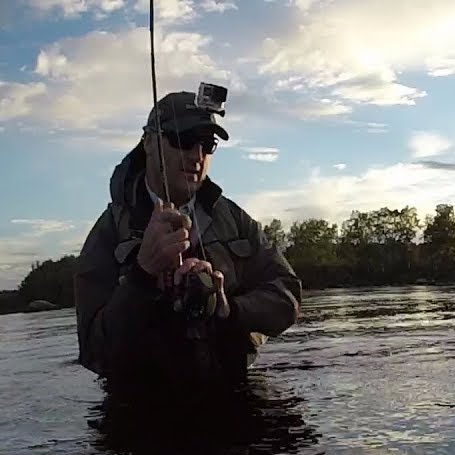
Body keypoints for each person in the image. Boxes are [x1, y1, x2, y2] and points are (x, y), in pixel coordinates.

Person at [74, 88, 301, 390]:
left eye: (207, 145)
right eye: (184, 140)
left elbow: (287, 296)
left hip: (235, 399)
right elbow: (95, 352)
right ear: (149, 143)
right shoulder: (109, 232)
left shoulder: (234, 219)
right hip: (142, 418)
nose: (197, 155)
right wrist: (142, 275)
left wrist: (229, 308)